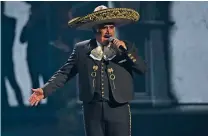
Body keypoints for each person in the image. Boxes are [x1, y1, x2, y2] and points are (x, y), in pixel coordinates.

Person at [29, 5, 147, 136]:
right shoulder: (82, 49)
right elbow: (65, 73)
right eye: (104, 27)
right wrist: (44, 90)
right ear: (95, 28)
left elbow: (141, 69)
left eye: (111, 27)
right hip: (93, 109)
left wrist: (127, 52)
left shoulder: (126, 48)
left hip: (118, 109)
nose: (108, 31)